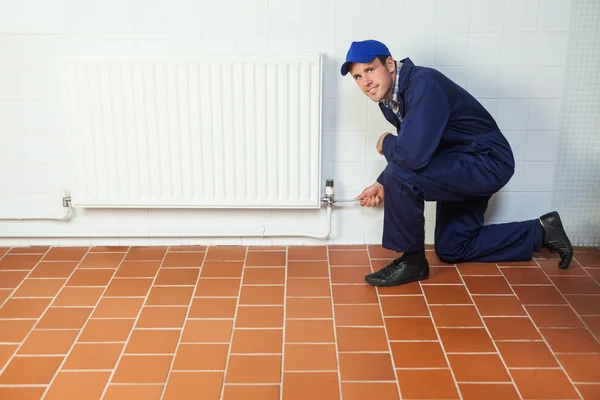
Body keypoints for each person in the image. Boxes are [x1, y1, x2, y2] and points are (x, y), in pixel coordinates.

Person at [340, 39, 573, 287]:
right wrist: (383, 183)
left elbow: (411, 155)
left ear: (389, 64)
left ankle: (412, 262)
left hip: (485, 161)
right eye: (357, 77)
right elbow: (413, 149)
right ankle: (542, 231)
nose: (365, 82)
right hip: (457, 164)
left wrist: (386, 142)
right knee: (453, 247)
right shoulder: (390, 102)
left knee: (400, 175)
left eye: (369, 70)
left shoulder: (423, 84)